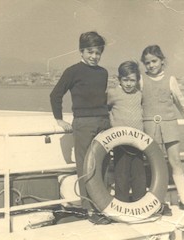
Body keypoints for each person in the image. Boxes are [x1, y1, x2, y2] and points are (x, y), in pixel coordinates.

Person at [50, 31, 112, 224]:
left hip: (103, 122)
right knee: (85, 166)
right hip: (83, 123)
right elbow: (55, 95)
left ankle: (103, 206)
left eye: (98, 53)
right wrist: (60, 120)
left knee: (102, 163)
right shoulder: (72, 71)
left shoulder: (103, 73)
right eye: (90, 52)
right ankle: (90, 211)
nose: (94, 56)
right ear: (81, 51)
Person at [140, 45, 184, 213]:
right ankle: (161, 202)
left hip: (169, 125)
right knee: (157, 165)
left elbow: (179, 99)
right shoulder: (140, 79)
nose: (151, 65)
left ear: (162, 61)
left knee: (175, 162)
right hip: (150, 126)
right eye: (147, 63)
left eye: (154, 61)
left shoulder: (170, 79)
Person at [107, 61, 147, 202]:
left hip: (138, 142)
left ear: (137, 80)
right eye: (125, 80)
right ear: (119, 79)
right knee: (121, 174)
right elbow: (106, 108)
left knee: (139, 174)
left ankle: (140, 202)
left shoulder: (140, 95)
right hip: (120, 142)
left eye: (132, 80)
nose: (129, 84)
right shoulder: (112, 93)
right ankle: (122, 202)